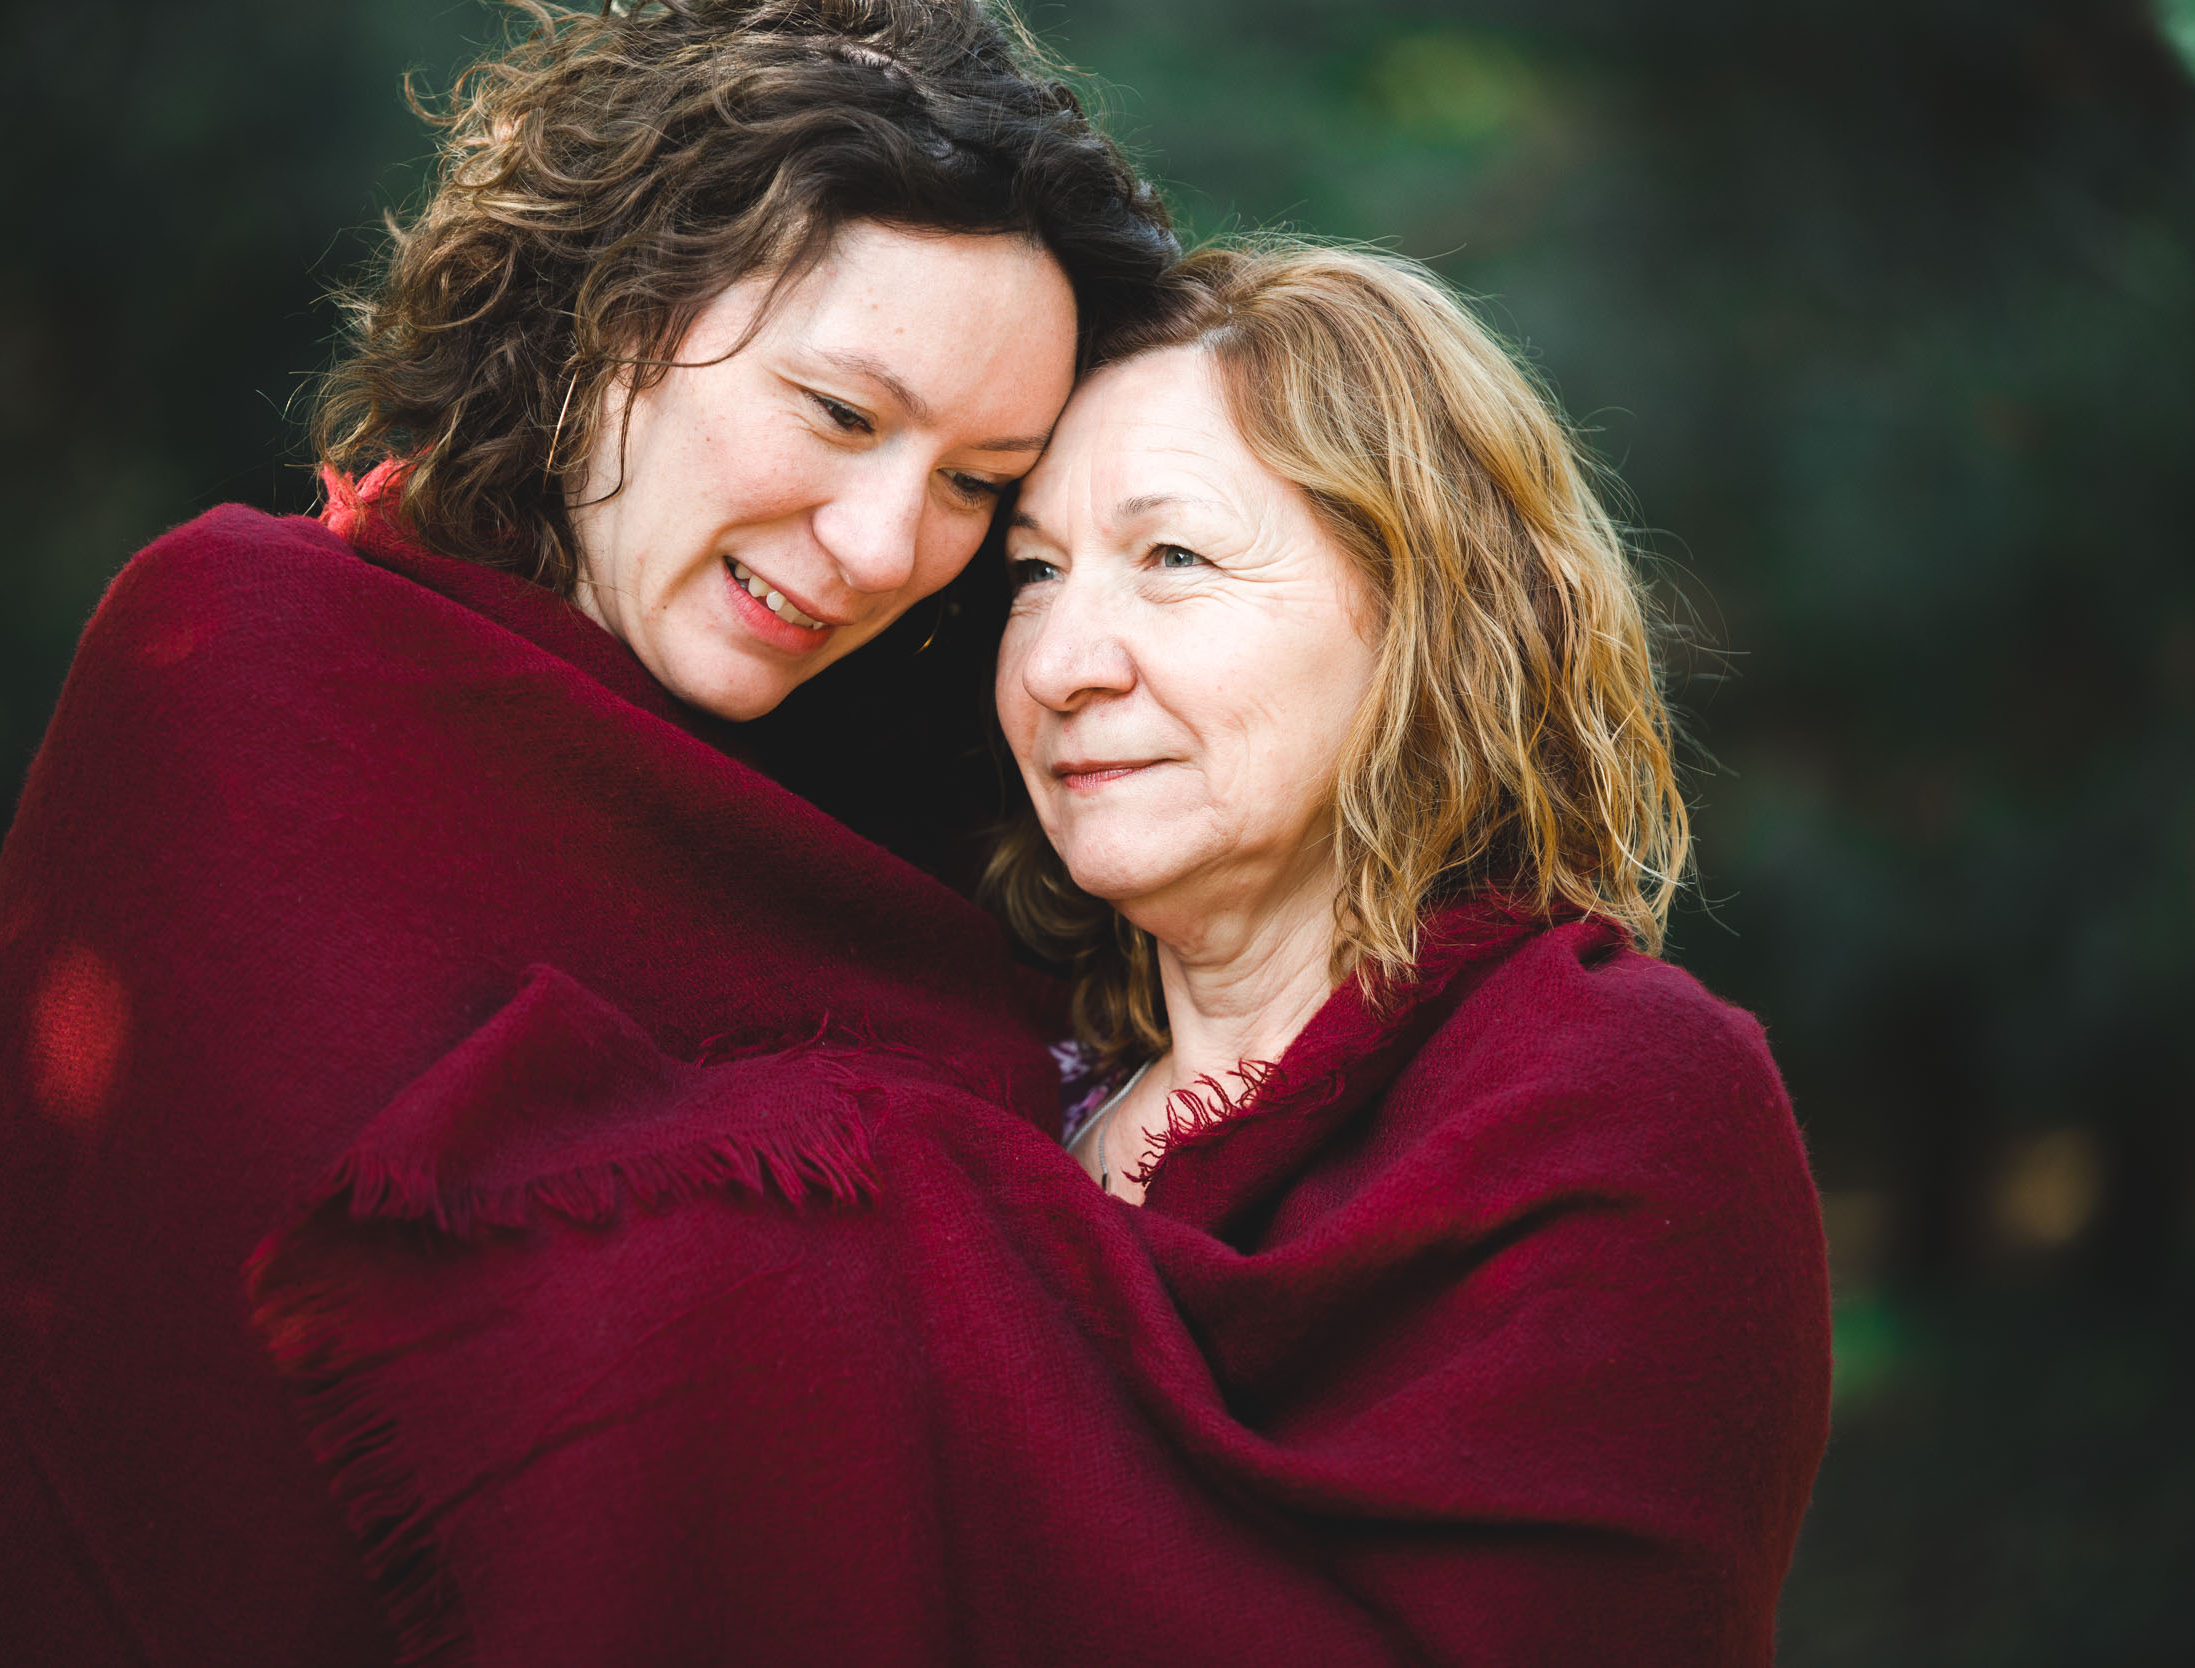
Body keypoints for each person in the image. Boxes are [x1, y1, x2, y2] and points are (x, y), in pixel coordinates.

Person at [0, 3, 1169, 1662]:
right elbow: (128, 1380)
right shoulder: (240, 661)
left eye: (975, 487)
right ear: (613, 310)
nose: (885, 547)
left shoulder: (972, 833)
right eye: (841, 414)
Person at [239, 241, 1830, 1666]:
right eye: (1033, 576)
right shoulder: (988, 1069)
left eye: (1175, 561)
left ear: (1433, 611)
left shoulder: (1620, 1103)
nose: (1064, 664)